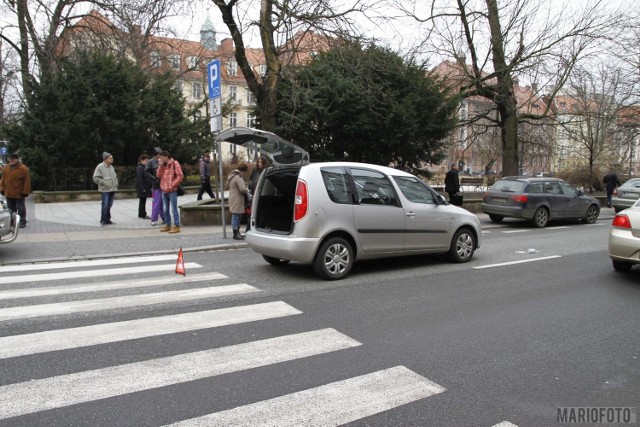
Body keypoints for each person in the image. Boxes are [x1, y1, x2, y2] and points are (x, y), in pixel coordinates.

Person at [0, 153, 31, 228]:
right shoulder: (6, 168)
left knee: (21, 208)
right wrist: (2, 189)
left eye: (14, 159)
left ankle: (22, 221)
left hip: (19, 193)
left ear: (17, 159)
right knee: (10, 209)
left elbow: (27, 181)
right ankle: (12, 221)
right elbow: (3, 179)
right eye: (10, 159)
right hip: (9, 192)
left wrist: (25, 192)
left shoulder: (23, 169)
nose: (12, 160)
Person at [156, 150, 183, 234]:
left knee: (174, 209)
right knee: (165, 209)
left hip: (172, 190)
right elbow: (158, 175)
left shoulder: (175, 163)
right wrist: (160, 166)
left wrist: (172, 185)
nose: (161, 159)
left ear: (166, 157)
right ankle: (168, 224)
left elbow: (180, 176)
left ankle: (176, 226)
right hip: (164, 190)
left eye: (162, 158)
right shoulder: (163, 165)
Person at [93, 152, 118, 226]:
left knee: (109, 205)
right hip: (105, 190)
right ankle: (103, 220)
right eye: (110, 158)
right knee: (105, 204)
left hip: (112, 189)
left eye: (112, 158)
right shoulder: (100, 166)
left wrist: (116, 183)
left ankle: (108, 219)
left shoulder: (111, 167)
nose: (112, 159)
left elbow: (114, 177)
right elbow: (95, 178)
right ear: (105, 159)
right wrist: (104, 183)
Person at [245, 155, 268, 232]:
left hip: (263, 195)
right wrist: (250, 185)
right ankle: (249, 229)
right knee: (253, 212)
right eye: (258, 162)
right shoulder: (255, 170)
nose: (259, 164)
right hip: (254, 193)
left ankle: (259, 227)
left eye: (261, 162)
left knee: (260, 212)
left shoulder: (266, 170)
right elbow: (251, 179)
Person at [227, 163, 248, 240]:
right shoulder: (238, 177)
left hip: (233, 197)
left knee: (236, 215)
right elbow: (242, 189)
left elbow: (227, 185)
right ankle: (235, 234)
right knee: (236, 216)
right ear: (243, 170)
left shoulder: (232, 176)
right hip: (237, 198)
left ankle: (237, 233)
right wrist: (247, 190)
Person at [145, 147, 166, 226]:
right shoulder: (150, 162)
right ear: (155, 154)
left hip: (163, 184)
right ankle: (153, 219)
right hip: (156, 185)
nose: (160, 156)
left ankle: (164, 218)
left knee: (163, 203)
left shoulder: (163, 162)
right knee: (156, 202)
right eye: (159, 155)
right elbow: (146, 172)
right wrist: (154, 179)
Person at [135, 154, 151, 219]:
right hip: (142, 187)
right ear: (141, 160)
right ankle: (143, 214)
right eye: (146, 160)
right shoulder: (140, 167)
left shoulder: (142, 167)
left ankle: (141, 213)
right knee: (142, 201)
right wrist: (143, 188)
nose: (147, 162)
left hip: (144, 187)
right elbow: (140, 179)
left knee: (143, 200)